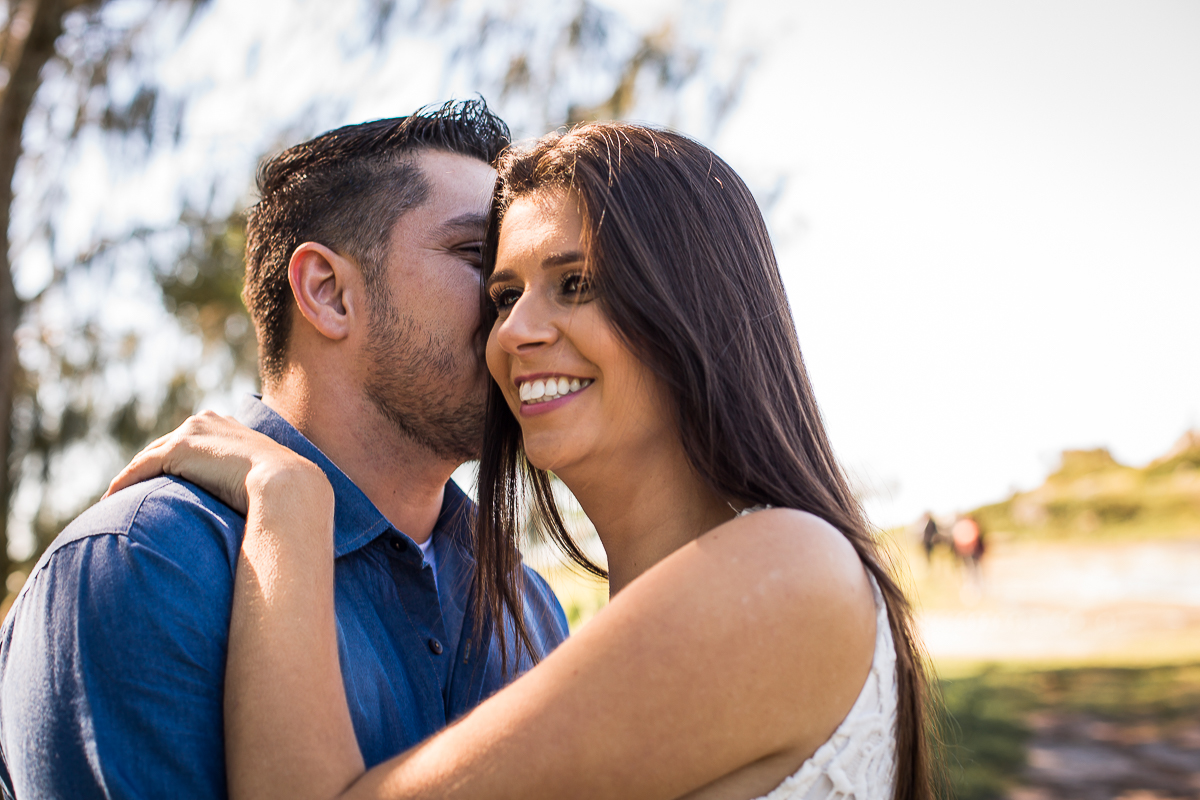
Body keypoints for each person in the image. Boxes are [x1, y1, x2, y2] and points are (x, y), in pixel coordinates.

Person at [109, 123, 936, 799]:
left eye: (575, 283)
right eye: (502, 292)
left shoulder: (783, 573)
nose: (511, 332)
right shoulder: (149, 559)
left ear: (693, 305)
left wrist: (289, 500)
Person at [0, 100, 570, 799]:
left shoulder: (528, 605)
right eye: (479, 260)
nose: (516, 311)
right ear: (328, 293)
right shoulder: (145, 564)